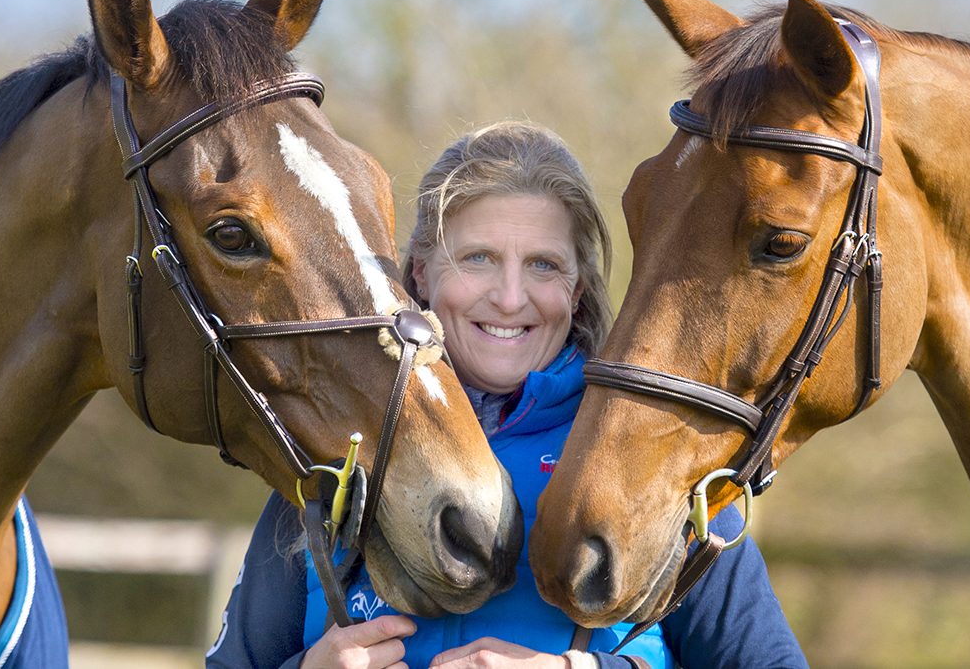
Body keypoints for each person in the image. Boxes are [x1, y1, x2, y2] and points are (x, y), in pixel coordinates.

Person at [206, 123, 808, 669]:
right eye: (479, 259)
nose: (511, 297)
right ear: (420, 273)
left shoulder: (652, 453)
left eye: (543, 265)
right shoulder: (335, 448)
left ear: (576, 291)